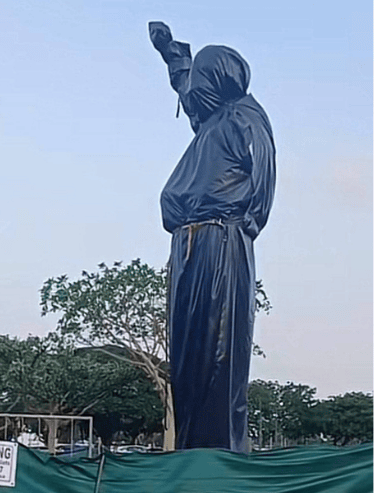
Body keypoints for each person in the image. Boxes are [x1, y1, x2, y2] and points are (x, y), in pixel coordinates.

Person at [149, 22, 275, 452]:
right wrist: (172, 54)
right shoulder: (210, 121)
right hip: (186, 243)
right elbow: (189, 93)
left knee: (219, 353)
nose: (196, 89)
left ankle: (220, 456)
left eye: (204, 77)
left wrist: (242, 227)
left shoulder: (244, 119)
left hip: (221, 240)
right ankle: (190, 452)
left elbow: (262, 180)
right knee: (187, 357)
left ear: (219, 80)